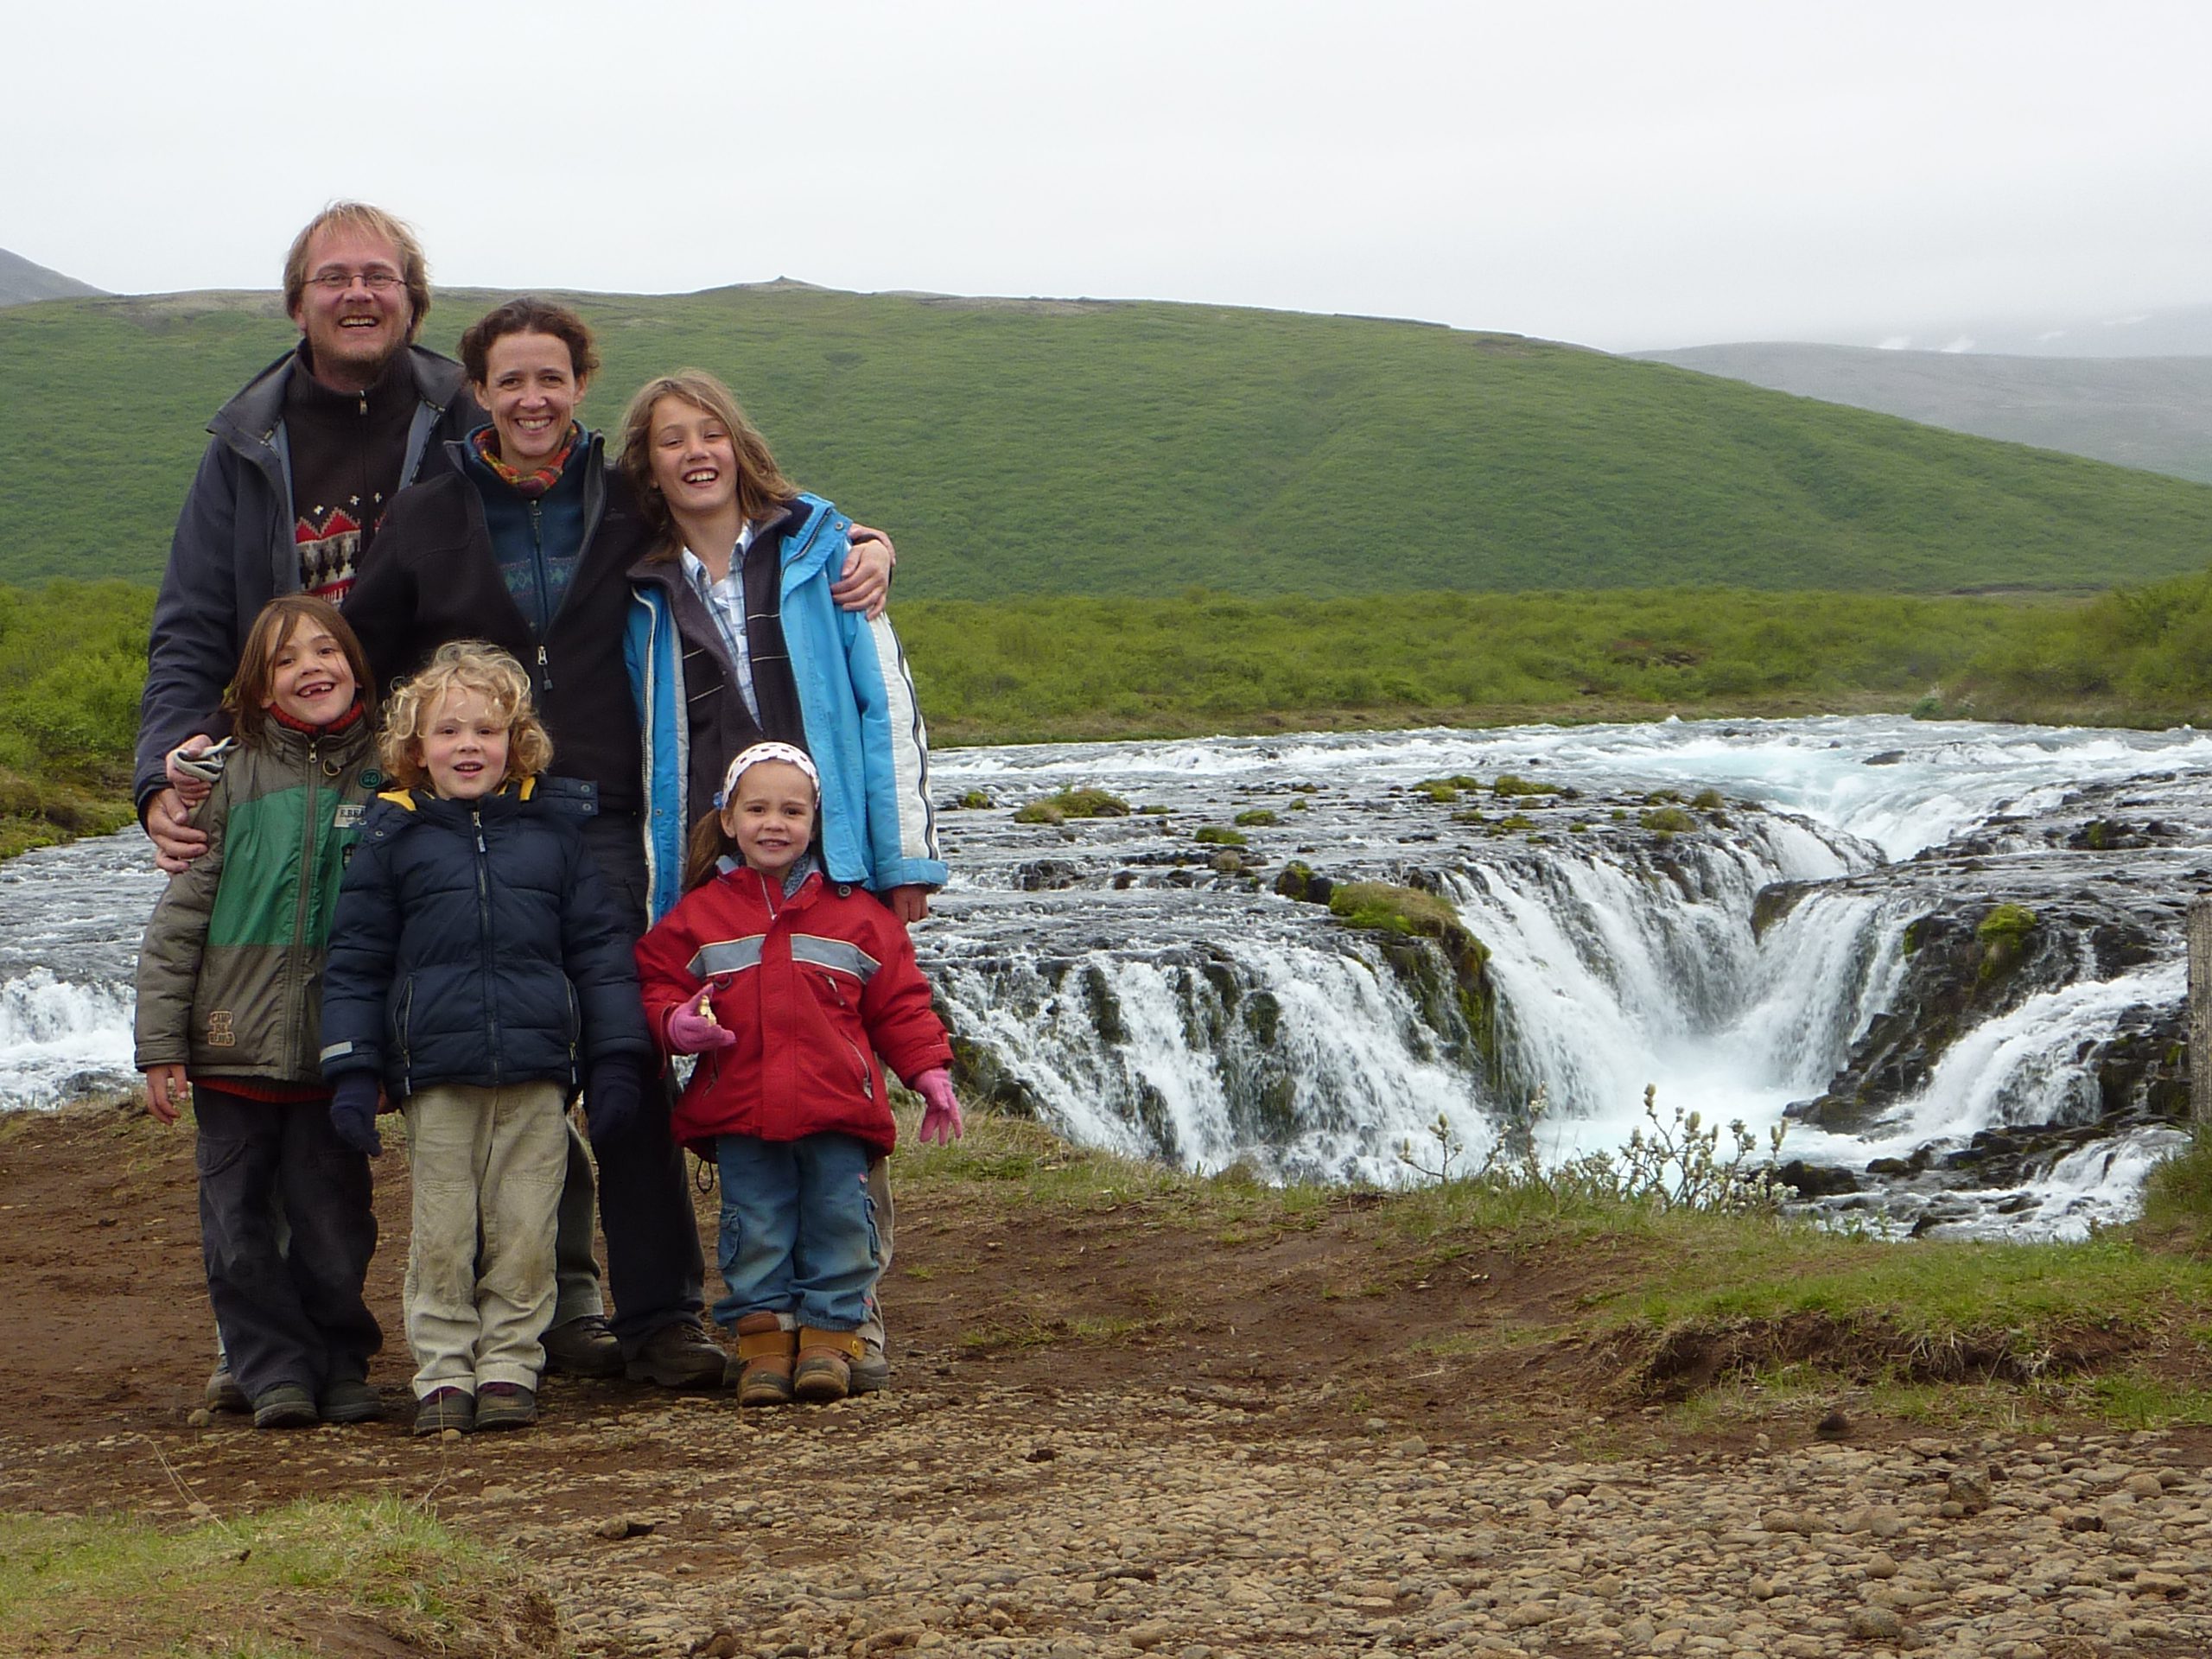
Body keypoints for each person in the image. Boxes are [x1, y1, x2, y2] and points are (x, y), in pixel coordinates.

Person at [618, 369, 949, 1390]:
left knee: (843, 1076)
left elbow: (879, 708)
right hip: (708, 863)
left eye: (709, 431)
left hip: (834, 855)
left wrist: (899, 860)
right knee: (748, 1088)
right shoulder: (634, 583)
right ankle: (764, 1320)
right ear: (649, 465)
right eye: (670, 439)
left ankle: (852, 1322)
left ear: (739, 444)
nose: (693, 452)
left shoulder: (822, 557)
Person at [319, 643, 652, 1436]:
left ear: (517, 742)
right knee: (442, 1234)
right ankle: (442, 1373)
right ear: (414, 749)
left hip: (539, 1075)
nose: (468, 745)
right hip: (435, 1079)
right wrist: (353, 1072)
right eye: (448, 731)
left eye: (487, 730)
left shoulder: (555, 838)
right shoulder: (390, 842)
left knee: (528, 1233)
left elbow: (601, 956)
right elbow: (356, 964)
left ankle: (509, 1365)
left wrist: (615, 1060)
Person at [634, 743, 962, 1405]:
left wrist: (929, 1072)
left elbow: (901, 1003)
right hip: (742, 1113)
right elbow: (654, 984)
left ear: (816, 821)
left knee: (842, 1223)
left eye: (792, 810)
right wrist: (675, 1024)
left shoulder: (859, 917)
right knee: (754, 1227)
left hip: (839, 1111)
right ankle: (762, 1347)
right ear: (728, 819)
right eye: (757, 809)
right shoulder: (700, 915)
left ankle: (829, 1344)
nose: (773, 823)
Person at [133, 596, 385, 1430]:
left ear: (354, 662)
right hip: (228, 1049)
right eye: (284, 659)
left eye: (325, 649)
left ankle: (342, 1359)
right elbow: (177, 929)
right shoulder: (227, 779)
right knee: (237, 1228)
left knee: (335, 1223)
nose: (310, 666)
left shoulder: (389, 777)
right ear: (255, 683)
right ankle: (271, 1368)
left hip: (335, 1052)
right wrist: (160, 1046)